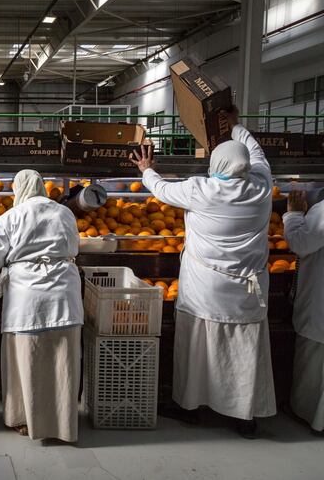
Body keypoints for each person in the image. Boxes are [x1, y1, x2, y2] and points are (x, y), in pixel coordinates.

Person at [130, 110, 276, 438]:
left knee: (197, 350)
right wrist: (234, 126)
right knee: (242, 352)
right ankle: (244, 415)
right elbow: (256, 152)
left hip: (205, 290)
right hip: (248, 292)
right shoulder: (262, 186)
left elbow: (161, 191)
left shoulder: (203, 190)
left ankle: (190, 408)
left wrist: (146, 169)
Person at [0, 169, 83, 442]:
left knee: (27, 360)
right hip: (64, 293)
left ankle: (24, 419)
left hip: (28, 297)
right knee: (63, 363)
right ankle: (62, 426)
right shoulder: (64, 213)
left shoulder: (10, 217)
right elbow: (74, 247)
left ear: (19, 189)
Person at [283, 188, 324, 436]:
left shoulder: (322, 212)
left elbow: (300, 243)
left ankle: (310, 416)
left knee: (314, 364)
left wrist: (294, 214)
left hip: (319, 304)